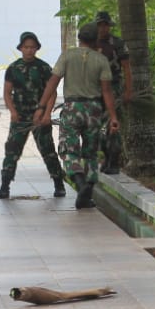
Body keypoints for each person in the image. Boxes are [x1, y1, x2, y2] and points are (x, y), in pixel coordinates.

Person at [34, 22, 119, 210]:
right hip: (94, 109)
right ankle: (87, 189)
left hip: (72, 108)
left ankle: (80, 184)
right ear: (95, 39)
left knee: (68, 149)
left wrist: (41, 107)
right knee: (90, 151)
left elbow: (52, 83)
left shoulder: (67, 56)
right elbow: (107, 91)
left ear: (79, 38)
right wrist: (113, 117)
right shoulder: (101, 60)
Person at [0, 31, 67, 199]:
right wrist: (13, 112)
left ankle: (59, 184)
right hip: (20, 117)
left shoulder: (43, 68)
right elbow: (7, 92)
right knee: (12, 151)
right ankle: (5, 186)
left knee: (48, 150)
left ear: (37, 48)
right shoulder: (13, 68)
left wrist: (47, 114)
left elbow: (52, 93)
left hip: (40, 116)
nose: (29, 50)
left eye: (32, 47)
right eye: (26, 47)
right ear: (21, 48)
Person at [95, 11, 132, 174]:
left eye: (105, 25)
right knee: (96, 127)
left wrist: (128, 91)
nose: (103, 28)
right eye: (100, 25)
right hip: (95, 89)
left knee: (113, 125)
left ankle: (113, 161)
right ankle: (106, 157)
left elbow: (126, 67)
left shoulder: (117, 43)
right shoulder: (91, 43)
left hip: (114, 87)